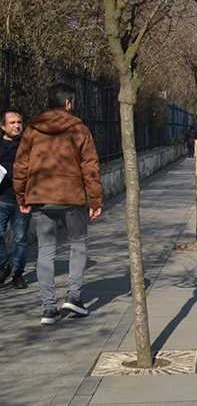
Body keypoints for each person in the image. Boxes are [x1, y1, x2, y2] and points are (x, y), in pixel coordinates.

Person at [15, 83, 102, 325]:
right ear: (68, 104)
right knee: (78, 244)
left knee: (45, 250)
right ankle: (74, 296)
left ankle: (48, 308)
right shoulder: (78, 129)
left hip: (41, 197)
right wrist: (95, 199)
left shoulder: (32, 129)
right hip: (72, 197)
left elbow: (21, 165)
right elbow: (90, 166)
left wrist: (21, 196)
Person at [0, 109, 28, 290]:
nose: (17, 126)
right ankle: (4, 268)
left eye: (19, 122)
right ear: (2, 126)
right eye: (12, 123)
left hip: (22, 199)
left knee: (20, 239)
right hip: (1, 198)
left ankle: (18, 274)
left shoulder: (28, 144)